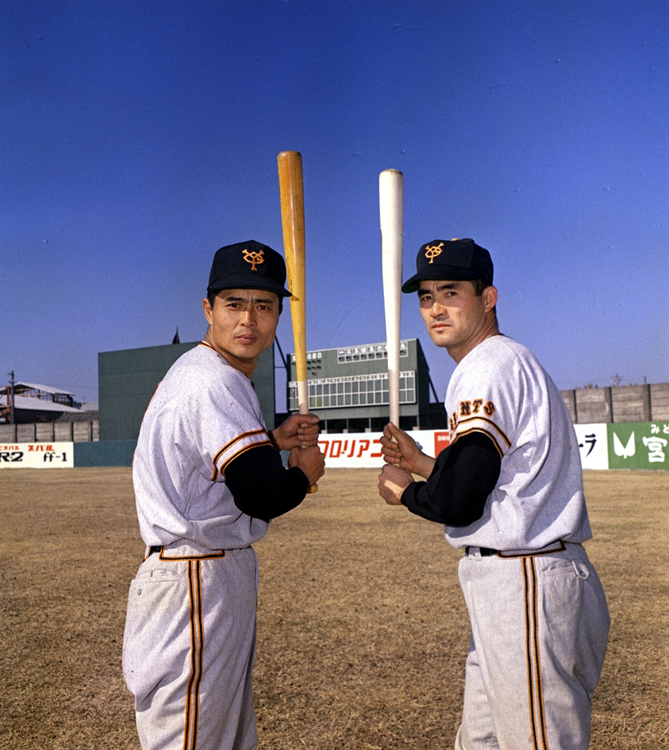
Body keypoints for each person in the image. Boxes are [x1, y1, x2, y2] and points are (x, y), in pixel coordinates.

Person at [378, 238, 609, 750]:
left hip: (525, 582)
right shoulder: (505, 362)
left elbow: (459, 500)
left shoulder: (488, 365)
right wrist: (419, 462)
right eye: (426, 296)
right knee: (480, 741)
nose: (436, 307)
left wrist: (405, 492)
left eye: (452, 292)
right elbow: (495, 483)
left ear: (488, 298)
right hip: (522, 579)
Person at [122, 240, 325, 750]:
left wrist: (273, 441)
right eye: (234, 303)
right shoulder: (213, 380)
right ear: (208, 309)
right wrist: (302, 472)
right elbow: (262, 493)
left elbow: (213, 468)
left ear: (280, 314)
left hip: (206, 573)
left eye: (264, 305)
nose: (249, 320)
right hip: (194, 581)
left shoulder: (205, 372)